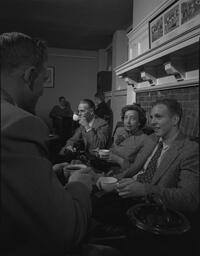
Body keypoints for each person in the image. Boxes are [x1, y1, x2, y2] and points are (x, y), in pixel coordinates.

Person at [0, 32, 94, 255]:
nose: (42, 91)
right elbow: (67, 231)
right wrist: (80, 182)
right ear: (30, 75)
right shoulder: (20, 123)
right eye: (43, 81)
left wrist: (47, 172)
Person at [91, 98, 199, 226]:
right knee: (90, 193)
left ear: (175, 120)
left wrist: (144, 190)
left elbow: (189, 199)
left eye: (158, 117)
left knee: (95, 206)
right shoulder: (152, 138)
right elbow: (133, 169)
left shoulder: (190, 149)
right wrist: (109, 179)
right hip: (128, 188)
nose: (152, 122)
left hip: (150, 206)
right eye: (151, 117)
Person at [106, 104, 157, 171]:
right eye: (126, 117)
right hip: (106, 167)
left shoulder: (145, 139)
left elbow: (136, 168)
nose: (128, 122)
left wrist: (117, 159)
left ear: (139, 122)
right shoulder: (119, 130)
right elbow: (113, 148)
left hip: (122, 173)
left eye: (132, 118)